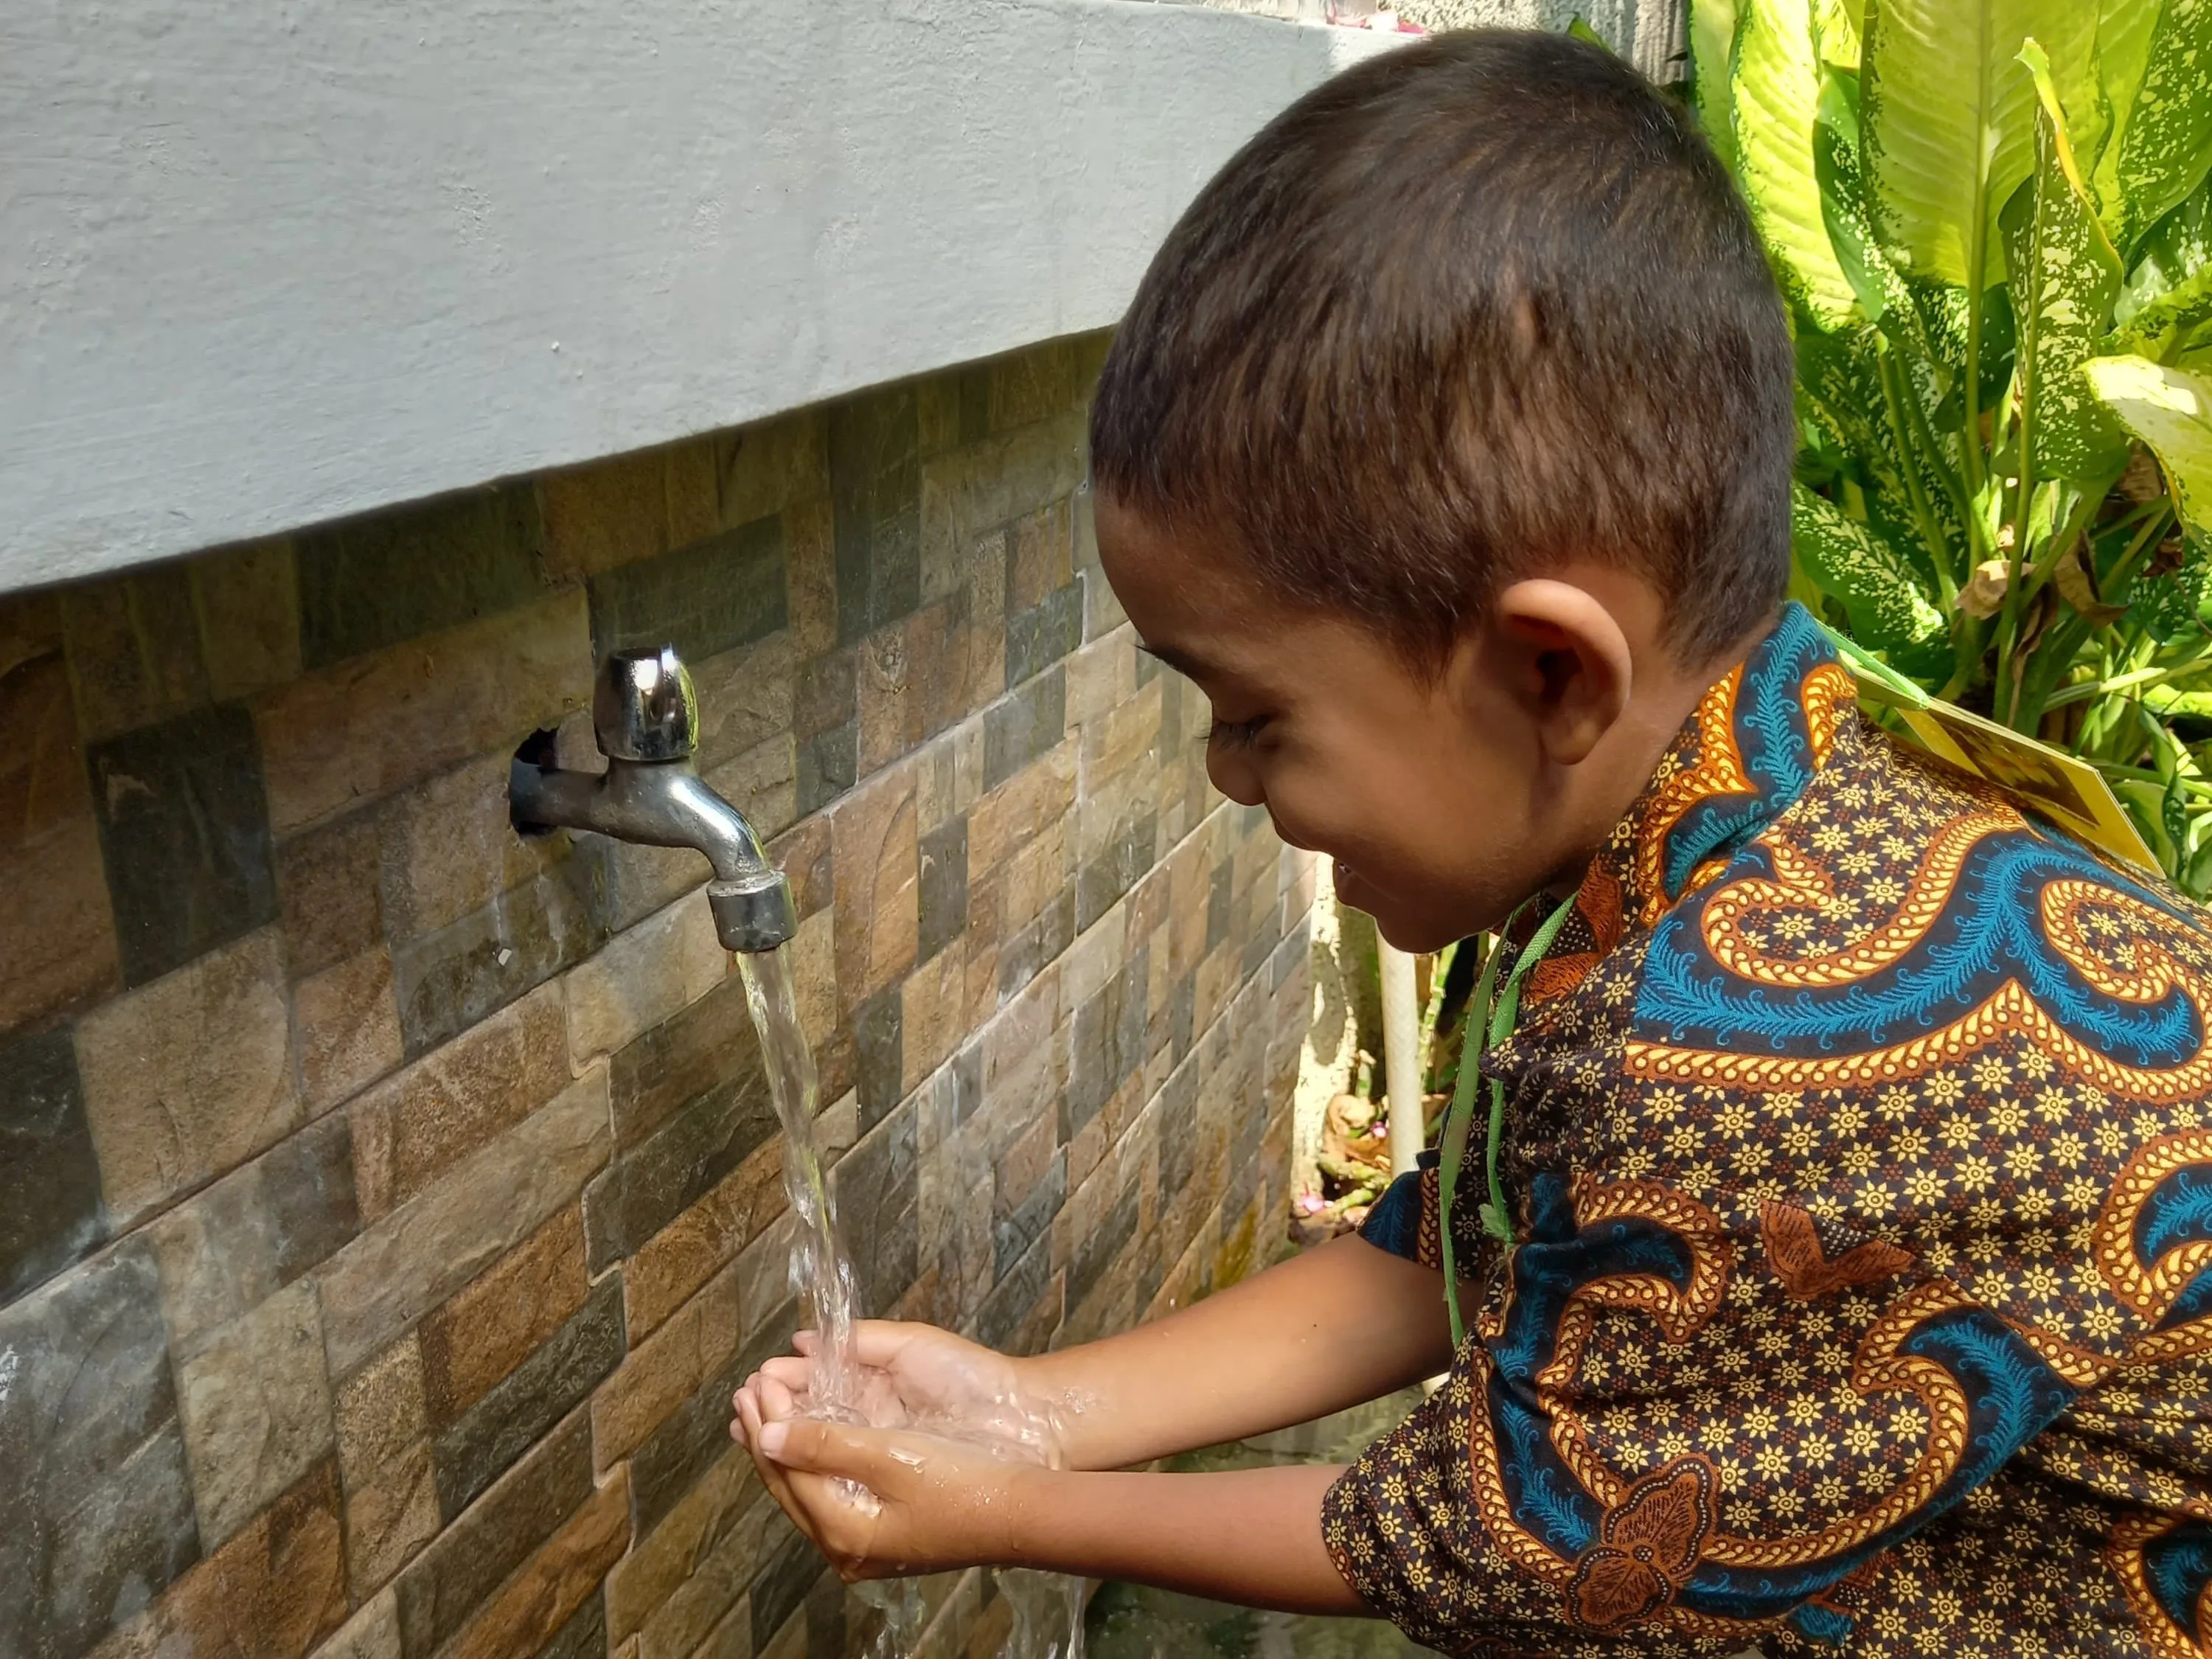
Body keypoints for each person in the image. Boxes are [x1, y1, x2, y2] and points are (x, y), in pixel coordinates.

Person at [732, 28, 2212, 1657]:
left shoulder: (1780, 1039)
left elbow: (1524, 1542)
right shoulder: (1721, 810)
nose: (1228, 776)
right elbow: (1484, 1223)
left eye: (1254, 712)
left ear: (1547, 670)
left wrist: (1006, 1508)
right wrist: (1033, 1408)